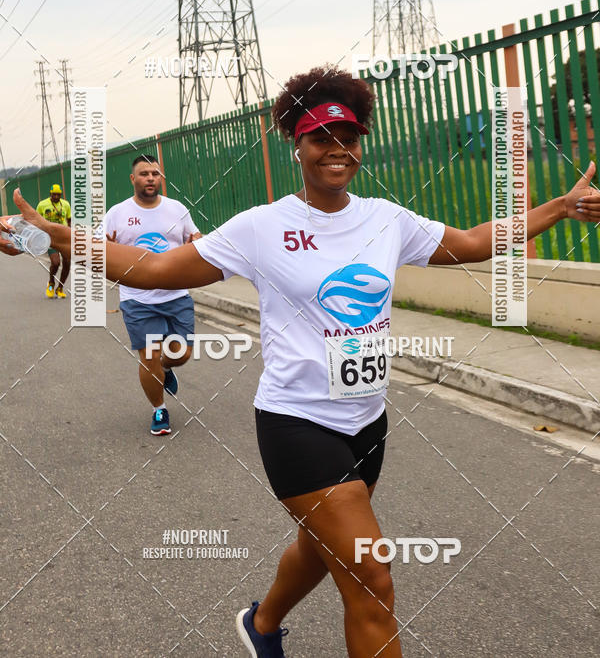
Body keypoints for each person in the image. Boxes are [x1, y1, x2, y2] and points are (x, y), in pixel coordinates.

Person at [2, 66, 598, 657]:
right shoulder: (264, 227)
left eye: (348, 139)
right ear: (297, 145)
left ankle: (261, 624)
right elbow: (154, 269)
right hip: (296, 423)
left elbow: (471, 242)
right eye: (320, 139)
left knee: (320, 546)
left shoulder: (386, 220)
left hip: (367, 421)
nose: (336, 151)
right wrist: (53, 238)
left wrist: (560, 208)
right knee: (372, 576)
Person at [102, 154, 202, 436]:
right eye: (144, 174)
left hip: (176, 295)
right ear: (133, 179)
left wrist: (199, 242)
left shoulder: (177, 209)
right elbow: (101, 246)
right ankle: (159, 408)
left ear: (160, 178)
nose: (150, 178)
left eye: (155, 174)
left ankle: (166, 369)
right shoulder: (117, 213)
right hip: (137, 299)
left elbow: (193, 238)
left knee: (181, 353)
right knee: (149, 355)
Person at [36, 183, 71, 298]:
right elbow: (37, 220)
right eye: (54, 195)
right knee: (55, 263)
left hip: (64, 238)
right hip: (50, 238)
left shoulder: (65, 204)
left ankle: (60, 288)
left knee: (67, 263)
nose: (56, 197)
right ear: (50, 194)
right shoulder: (42, 205)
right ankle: (51, 284)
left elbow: (69, 220)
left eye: (58, 195)